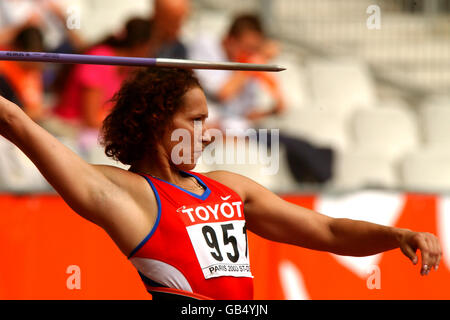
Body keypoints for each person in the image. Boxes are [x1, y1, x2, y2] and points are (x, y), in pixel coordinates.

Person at [0, 68, 441, 300]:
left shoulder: (230, 188)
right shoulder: (126, 196)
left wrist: (394, 234)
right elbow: (15, 121)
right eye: (195, 121)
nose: (208, 133)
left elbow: (326, 231)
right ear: (156, 122)